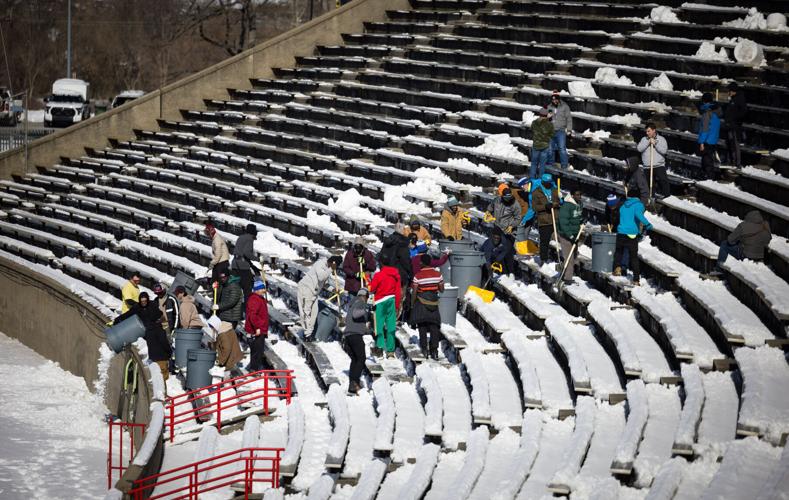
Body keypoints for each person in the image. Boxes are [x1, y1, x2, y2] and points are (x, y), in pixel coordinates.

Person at [613, 188, 653, 285]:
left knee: (619, 252)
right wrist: (647, 224)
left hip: (621, 232)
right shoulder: (638, 205)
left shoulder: (623, 205)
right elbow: (638, 214)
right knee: (633, 257)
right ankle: (636, 279)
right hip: (631, 234)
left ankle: (617, 268)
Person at [297, 256, 343, 339]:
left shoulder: (327, 268)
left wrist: (333, 290)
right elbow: (321, 277)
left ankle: (309, 333)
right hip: (305, 289)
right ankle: (307, 334)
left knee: (314, 314)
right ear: (332, 263)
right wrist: (331, 269)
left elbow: (324, 283)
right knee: (306, 312)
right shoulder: (320, 264)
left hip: (314, 293)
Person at [131, 292, 172, 382]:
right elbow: (164, 342)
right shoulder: (160, 329)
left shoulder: (147, 331)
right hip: (162, 358)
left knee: (157, 379)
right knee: (163, 379)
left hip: (153, 359)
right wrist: (169, 352)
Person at [411, 253, 445, 360]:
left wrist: (412, 303)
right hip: (433, 303)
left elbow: (414, 292)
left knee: (422, 326)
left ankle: (424, 349)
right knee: (434, 326)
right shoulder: (438, 275)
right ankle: (434, 351)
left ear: (422, 263)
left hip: (421, 303)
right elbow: (442, 289)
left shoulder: (417, 276)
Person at [369, 255, 402, 355]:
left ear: (381, 263)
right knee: (391, 326)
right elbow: (398, 291)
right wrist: (397, 305)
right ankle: (390, 350)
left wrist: (368, 281)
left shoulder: (378, 275)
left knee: (379, 326)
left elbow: (372, 289)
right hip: (391, 301)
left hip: (380, 302)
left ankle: (380, 347)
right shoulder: (396, 275)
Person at [344, 287, 370, 394]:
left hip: (348, 336)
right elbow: (356, 314)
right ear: (364, 296)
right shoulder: (360, 302)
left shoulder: (352, 303)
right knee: (361, 358)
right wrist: (367, 309)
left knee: (355, 359)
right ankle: (354, 382)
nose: (367, 300)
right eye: (367, 298)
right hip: (355, 335)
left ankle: (352, 384)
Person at [530, 173, 560, 263]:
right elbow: (534, 207)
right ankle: (543, 260)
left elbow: (559, 202)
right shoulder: (536, 192)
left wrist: (556, 204)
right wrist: (545, 206)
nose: (549, 184)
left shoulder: (554, 190)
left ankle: (557, 257)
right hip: (544, 221)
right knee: (544, 241)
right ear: (542, 182)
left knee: (558, 240)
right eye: (547, 182)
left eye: (550, 182)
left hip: (555, 218)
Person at [636, 123, 670, 199]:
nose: (647, 133)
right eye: (646, 131)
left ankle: (667, 197)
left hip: (659, 165)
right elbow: (639, 149)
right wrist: (648, 142)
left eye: (648, 131)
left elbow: (664, 151)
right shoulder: (644, 139)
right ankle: (650, 198)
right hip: (647, 166)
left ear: (654, 130)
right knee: (648, 184)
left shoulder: (661, 139)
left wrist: (655, 144)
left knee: (663, 181)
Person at [379, 227, 413, 302]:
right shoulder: (402, 243)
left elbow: (381, 256)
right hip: (399, 275)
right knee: (398, 298)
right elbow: (405, 261)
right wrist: (410, 272)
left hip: (386, 273)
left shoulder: (388, 241)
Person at [557, 190, 584, 283]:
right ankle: (567, 278)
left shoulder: (579, 204)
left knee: (574, 255)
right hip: (565, 235)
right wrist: (571, 236)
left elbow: (577, 216)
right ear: (572, 195)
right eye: (577, 195)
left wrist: (581, 220)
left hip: (575, 234)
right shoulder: (566, 206)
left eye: (580, 194)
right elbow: (563, 223)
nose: (579, 196)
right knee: (569, 257)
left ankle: (565, 272)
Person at [244, 280, 269, 372]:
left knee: (258, 350)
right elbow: (252, 315)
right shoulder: (254, 299)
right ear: (256, 290)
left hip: (260, 329)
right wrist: (257, 327)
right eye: (261, 289)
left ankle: (255, 369)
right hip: (256, 330)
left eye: (263, 288)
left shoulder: (259, 298)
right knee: (257, 351)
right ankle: (254, 369)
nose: (263, 290)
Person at [697, 92, 722, 180]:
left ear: (704, 101)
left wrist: (701, 142)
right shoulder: (717, 111)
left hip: (707, 140)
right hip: (714, 139)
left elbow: (705, 129)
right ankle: (707, 177)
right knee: (709, 159)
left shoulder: (707, 113)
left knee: (707, 161)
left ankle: (709, 178)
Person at [548, 90, 573, 170]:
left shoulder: (565, 107)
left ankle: (564, 166)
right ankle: (551, 165)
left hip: (561, 131)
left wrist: (569, 130)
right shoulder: (549, 107)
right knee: (550, 149)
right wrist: (547, 118)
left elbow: (569, 119)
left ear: (558, 99)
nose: (554, 101)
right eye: (553, 100)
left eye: (556, 99)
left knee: (562, 149)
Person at [232, 223, 258, 298]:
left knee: (236, 287)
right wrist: (257, 259)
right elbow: (247, 253)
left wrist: (252, 265)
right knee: (248, 286)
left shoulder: (240, 237)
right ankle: (248, 303)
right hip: (242, 266)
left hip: (234, 264)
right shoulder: (249, 238)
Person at [725, 82, 747, 168]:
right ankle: (732, 161)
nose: (728, 92)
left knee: (735, 144)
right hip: (730, 125)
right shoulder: (733, 99)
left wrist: (734, 118)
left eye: (729, 91)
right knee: (731, 144)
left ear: (733, 91)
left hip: (735, 126)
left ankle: (737, 163)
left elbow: (743, 112)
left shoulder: (739, 99)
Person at [530, 107, 555, 179]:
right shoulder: (550, 124)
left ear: (539, 114)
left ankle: (532, 179)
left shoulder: (534, 122)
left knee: (534, 164)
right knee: (542, 165)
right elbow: (552, 135)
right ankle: (540, 180)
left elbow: (532, 130)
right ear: (546, 115)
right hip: (545, 146)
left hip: (536, 145)